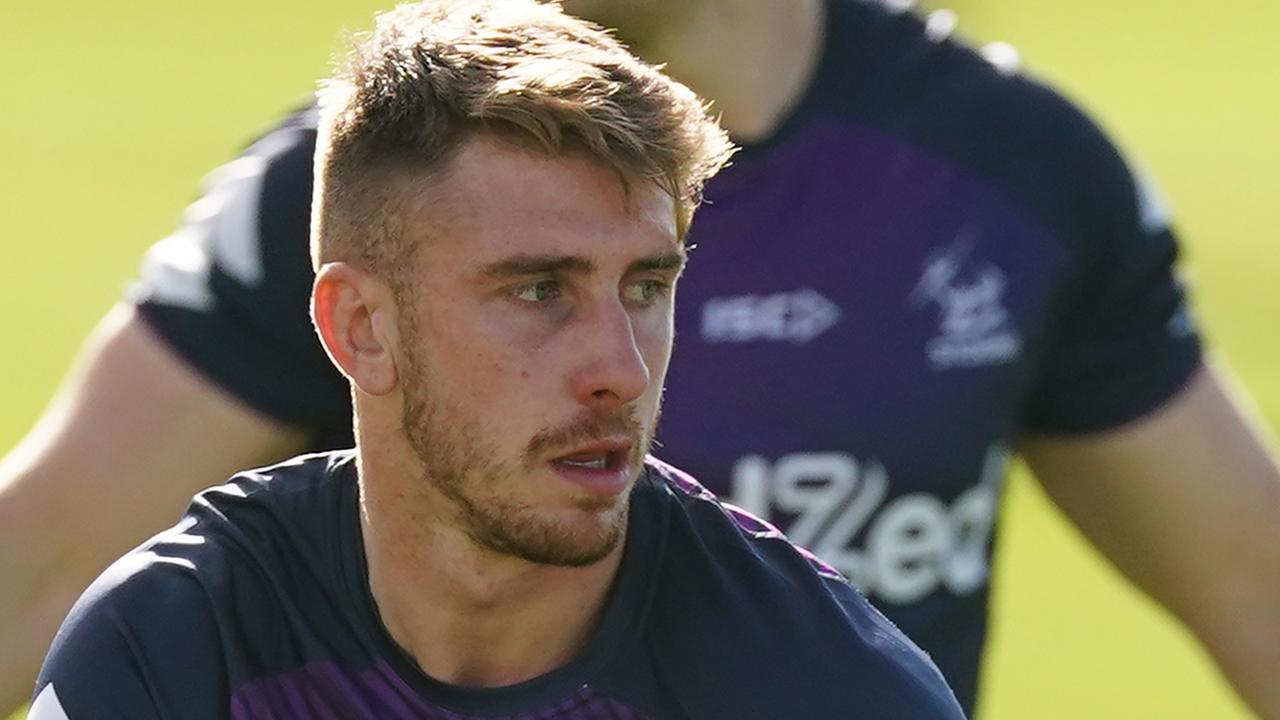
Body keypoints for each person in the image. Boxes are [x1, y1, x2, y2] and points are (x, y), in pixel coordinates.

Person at [4, 0, 1280, 716]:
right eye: (533, 292)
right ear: (358, 324)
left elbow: (1250, 579)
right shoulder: (375, 177)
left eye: (645, 286)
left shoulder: (1011, 176)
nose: (611, 365)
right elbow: (38, 566)